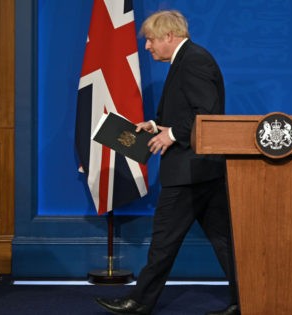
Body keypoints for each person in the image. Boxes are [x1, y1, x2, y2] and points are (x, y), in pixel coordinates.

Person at [96, 10, 239, 315]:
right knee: (225, 241)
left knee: (164, 241)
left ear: (168, 36)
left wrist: (172, 134)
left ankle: (140, 302)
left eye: (150, 39)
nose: (147, 47)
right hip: (202, 168)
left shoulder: (194, 60)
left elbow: (207, 114)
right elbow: (190, 111)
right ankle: (249, 299)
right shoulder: (187, 59)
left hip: (190, 170)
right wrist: (156, 125)